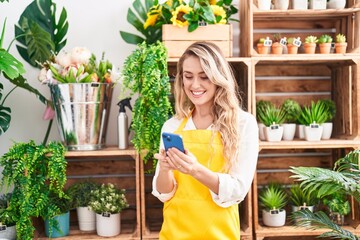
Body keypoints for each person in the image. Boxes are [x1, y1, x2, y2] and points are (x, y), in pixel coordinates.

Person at [152, 41, 259, 239]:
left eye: (204, 77)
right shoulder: (172, 126)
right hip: (174, 234)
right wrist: (165, 169)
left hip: (220, 234)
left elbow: (238, 190)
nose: (195, 85)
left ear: (218, 78)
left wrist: (195, 170)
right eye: (188, 76)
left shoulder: (243, 124)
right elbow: (163, 193)